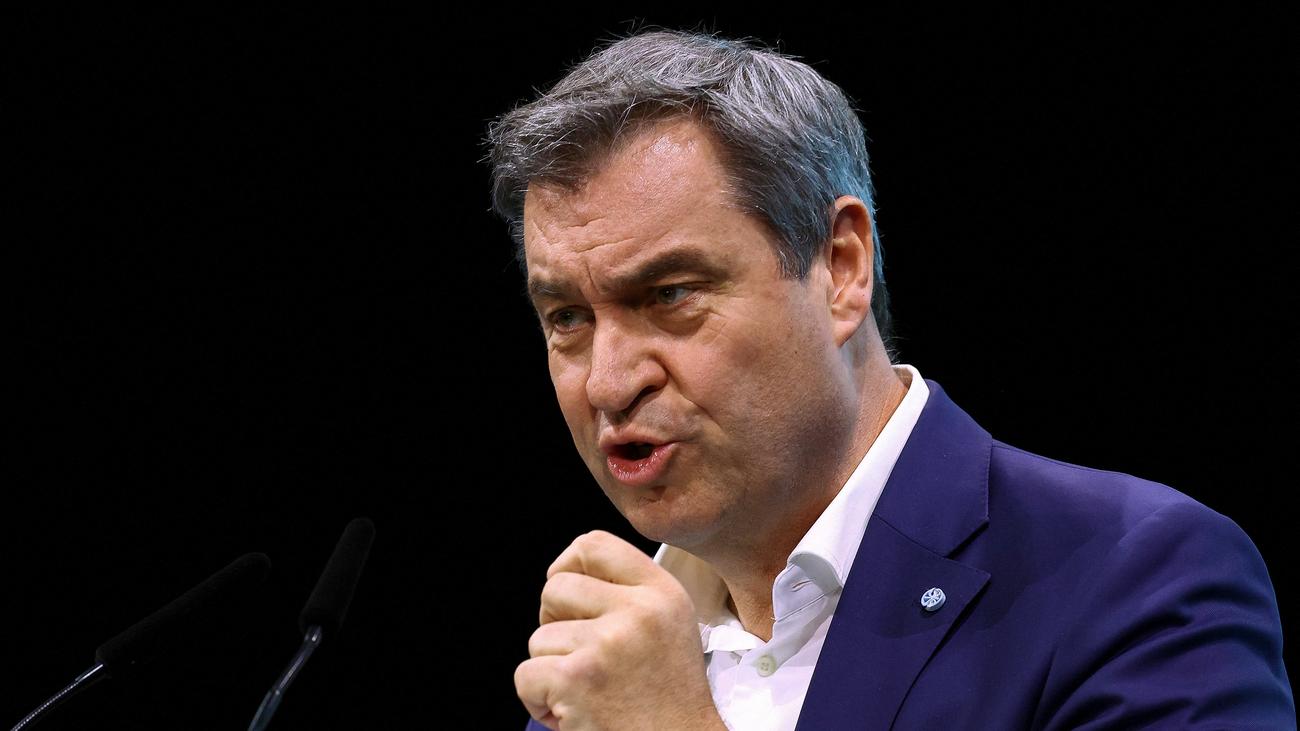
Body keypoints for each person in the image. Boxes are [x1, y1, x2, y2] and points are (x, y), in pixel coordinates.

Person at [485, 28, 1294, 730]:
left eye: (670, 294)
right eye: (567, 317)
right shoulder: (600, 667)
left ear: (841, 268)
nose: (608, 383)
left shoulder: (1135, 577)